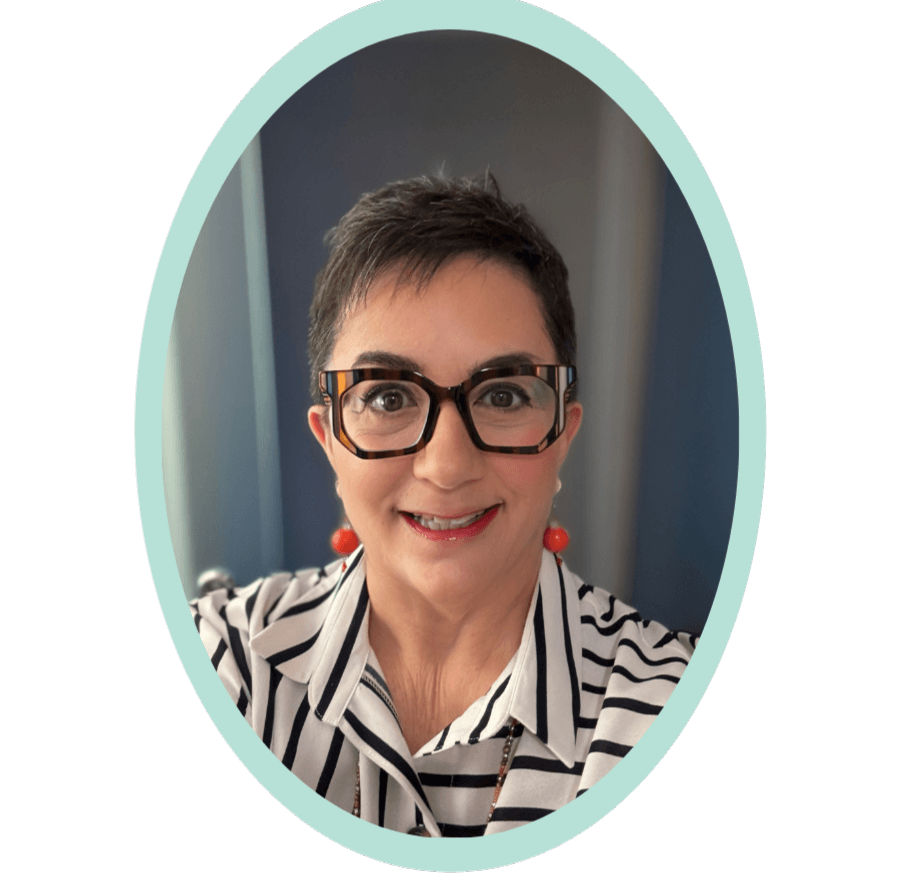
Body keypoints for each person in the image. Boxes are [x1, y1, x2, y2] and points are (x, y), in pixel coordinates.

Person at [192, 174, 696, 836]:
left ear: (563, 435)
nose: (447, 466)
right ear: (329, 440)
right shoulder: (218, 660)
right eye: (387, 397)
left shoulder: (673, 706)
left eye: (504, 395)